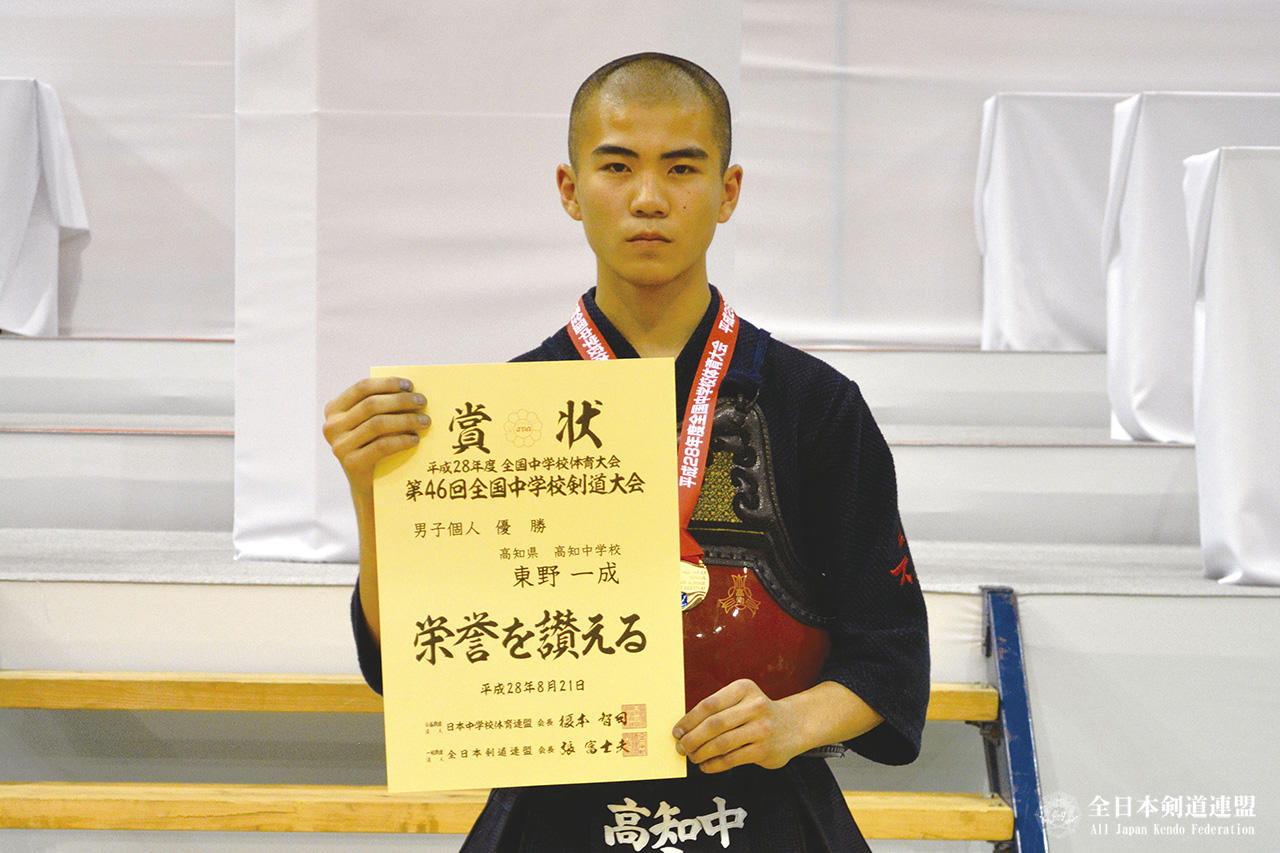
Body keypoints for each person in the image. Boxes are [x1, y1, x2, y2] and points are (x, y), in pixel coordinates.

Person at [323, 52, 928, 852]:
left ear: (728, 191)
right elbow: (403, 666)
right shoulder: (502, 419)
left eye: (682, 168)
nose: (649, 198)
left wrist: (792, 721)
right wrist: (371, 491)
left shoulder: (814, 406)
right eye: (617, 166)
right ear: (571, 191)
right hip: (557, 815)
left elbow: (888, 651)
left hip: (765, 810)